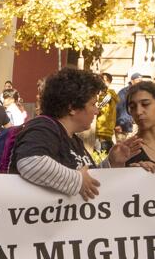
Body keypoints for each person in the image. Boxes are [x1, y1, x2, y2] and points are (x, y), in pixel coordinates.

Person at [10, 68, 104, 201]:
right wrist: (76, 180)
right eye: (93, 104)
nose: (97, 111)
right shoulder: (44, 129)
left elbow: (88, 179)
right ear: (72, 108)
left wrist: (112, 162)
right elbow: (30, 162)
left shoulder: (73, 139)